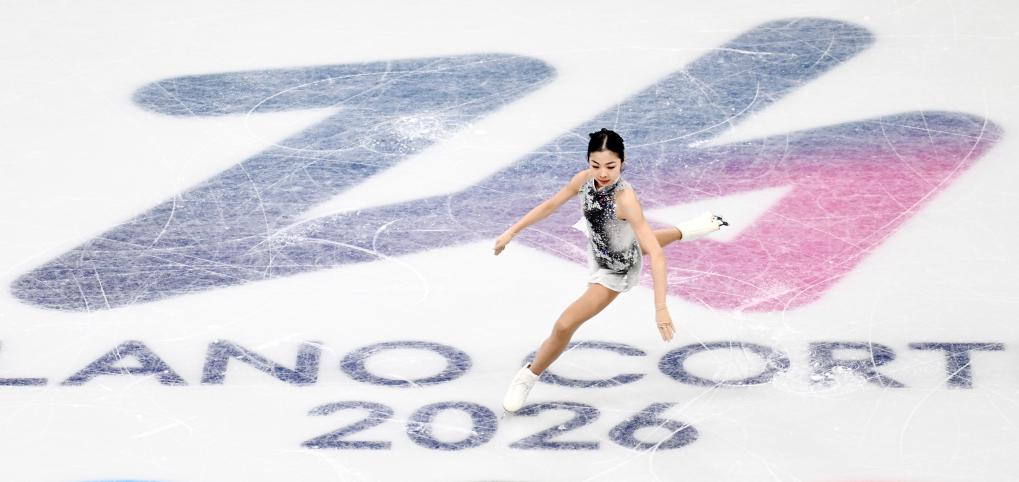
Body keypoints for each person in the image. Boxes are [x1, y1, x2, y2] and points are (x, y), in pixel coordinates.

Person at [493, 128, 728, 413]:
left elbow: (655, 254)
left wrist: (661, 307)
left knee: (565, 325)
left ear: (622, 163)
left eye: (611, 166)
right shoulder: (583, 180)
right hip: (602, 244)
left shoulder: (626, 200)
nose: (602, 173)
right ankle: (688, 229)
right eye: (595, 165)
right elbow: (550, 205)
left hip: (615, 270)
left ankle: (528, 376)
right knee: (632, 242)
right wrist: (511, 232)